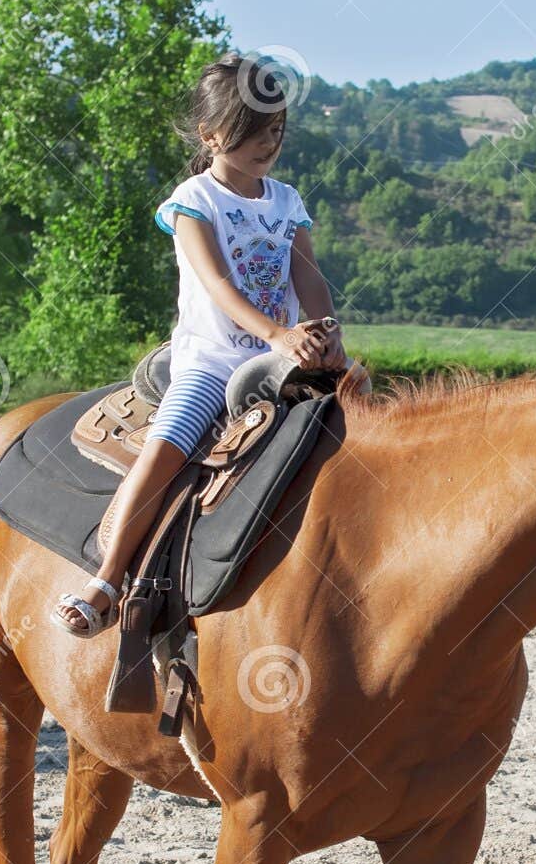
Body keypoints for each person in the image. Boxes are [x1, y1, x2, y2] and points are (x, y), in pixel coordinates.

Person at [51, 53, 343, 636]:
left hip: (281, 361)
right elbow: (216, 282)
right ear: (211, 135)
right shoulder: (195, 200)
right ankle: (106, 579)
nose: (268, 145)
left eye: (276, 132)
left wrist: (327, 331)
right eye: (252, 133)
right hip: (213, 361)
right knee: (169, 447)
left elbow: (306, 274)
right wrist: (277, 333)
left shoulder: (285, 201)